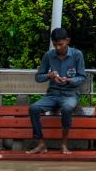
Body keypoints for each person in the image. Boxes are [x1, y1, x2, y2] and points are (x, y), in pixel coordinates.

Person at [27, 27, 87, 155]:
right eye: (55, 45)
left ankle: (64, 144)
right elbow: (38, 77)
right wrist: (50, 75)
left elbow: (82, 77)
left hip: (70, 94)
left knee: (66, 108)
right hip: (52, 94)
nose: (58, 48)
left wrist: (69, 80)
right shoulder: (49, 55)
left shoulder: (77, 54)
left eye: (61, 44)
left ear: (68, 41)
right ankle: (41, 143)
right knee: (33, 108)